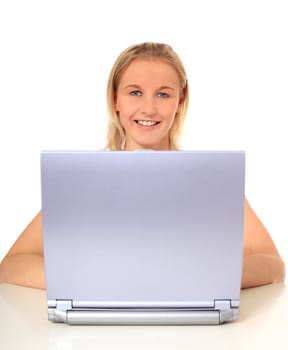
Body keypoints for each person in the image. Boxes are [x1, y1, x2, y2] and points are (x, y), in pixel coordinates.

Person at [0, 42, 285, 290]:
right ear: (116, 100)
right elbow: (11, 265)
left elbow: (273, 264)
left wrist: (201, 277)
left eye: (163, 94)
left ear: (179, 101)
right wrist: (96, 278)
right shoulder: (86, 180)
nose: (149, 108)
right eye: (135, 92)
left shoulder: (208, 181)